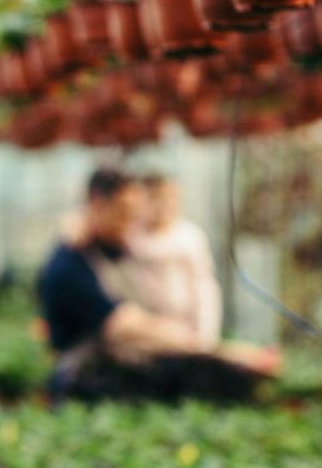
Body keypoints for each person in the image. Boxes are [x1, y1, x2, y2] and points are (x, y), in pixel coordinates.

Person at [37, 167, 279, 403]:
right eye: (123, 213)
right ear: (97, 206)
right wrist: (214, 349)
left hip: (120, 363)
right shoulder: (69, 265)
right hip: (83, 378)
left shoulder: (112, 246)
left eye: (134, 214)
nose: (131, 223)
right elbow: (125, 325)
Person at [128, 172, 223, 346]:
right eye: (155, 198)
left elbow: (204, 288)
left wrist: (205, 334)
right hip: (145, 330)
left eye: (170, 198)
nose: (163, 205)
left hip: (186, 329)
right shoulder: (130, 237)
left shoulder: (189, 237)